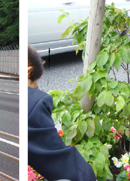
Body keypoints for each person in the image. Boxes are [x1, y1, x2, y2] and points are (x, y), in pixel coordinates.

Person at [27, 46, 96, 181]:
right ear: (29, 72)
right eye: (35, 85)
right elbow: (61, 163)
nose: (36, 91)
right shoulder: (33, 104)